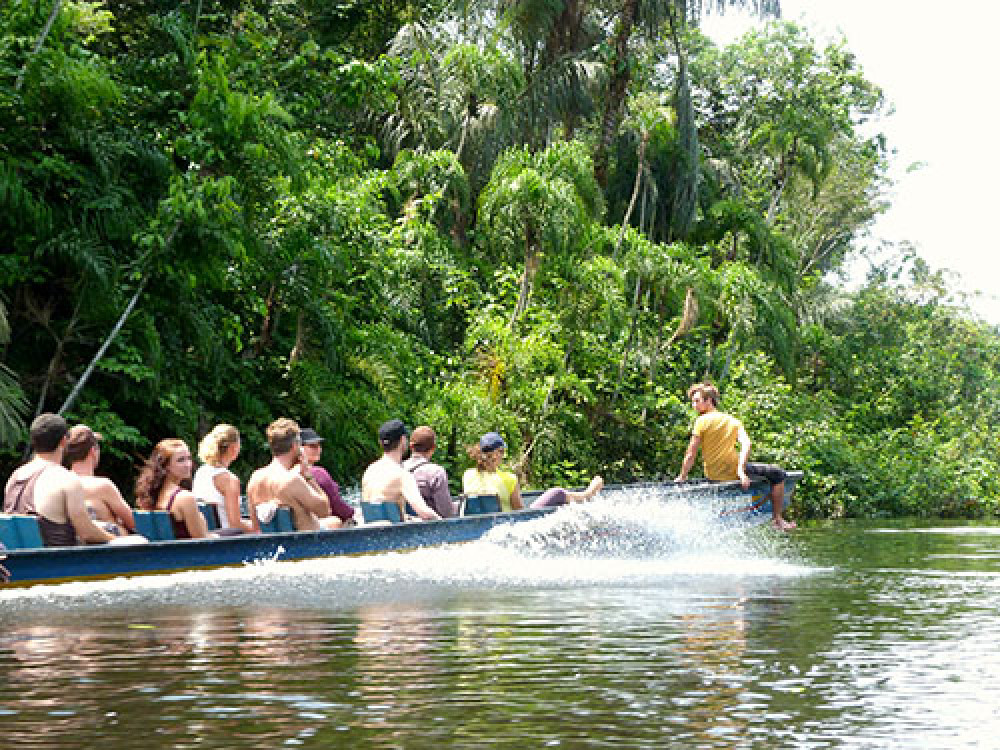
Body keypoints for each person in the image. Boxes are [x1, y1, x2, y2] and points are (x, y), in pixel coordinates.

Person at [674, 382, 796, 531]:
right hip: (732, 472)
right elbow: (747, 444)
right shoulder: (732, 421)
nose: (694, 405)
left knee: (769, 472)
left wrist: (682, 476)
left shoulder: (701, 421)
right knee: (778, 474)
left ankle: (777, 520)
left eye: (697, 401)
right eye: (693, 401)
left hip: (714, 474)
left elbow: (691, 453)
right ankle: (778, 519)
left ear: (709, 401)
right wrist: (740, 470)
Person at [3, 413, 119, 545]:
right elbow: (87, 534)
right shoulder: (66, 479)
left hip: (16, 562)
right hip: (58, 562)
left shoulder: (15, 476)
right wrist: (117, 540)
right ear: (64, 441)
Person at [462, 432, 603, 511]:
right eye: (502, 452)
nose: (503, 455)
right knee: (557, 493)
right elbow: (520, 512)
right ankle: (588, 494)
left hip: (479, 523)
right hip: (506, 524)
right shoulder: (509, 479)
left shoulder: (467, 475)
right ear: (496, 454)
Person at [246, 418, 344, 531]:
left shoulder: (255, 478)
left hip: (270, 544)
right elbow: (325, 510)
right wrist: (308, 475)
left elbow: (255, 526)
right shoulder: (292, 480)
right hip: (304, 543)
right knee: (335, 521)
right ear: (294, 446)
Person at [63, 424, 143, 538]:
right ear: (93, 451)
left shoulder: (61, 482)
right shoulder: (101, 486)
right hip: (107, 550)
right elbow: (134, 523)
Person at [361, 419, 441, 521]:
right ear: (403, 440)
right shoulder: (402, 475)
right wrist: (444, 523)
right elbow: (425, 513)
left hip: (371, 533)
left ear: (381, 443)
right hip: (394, 534)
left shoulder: (369, 471)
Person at [136, 439, 215, 539]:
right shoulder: (185, 498)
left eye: (189, 458)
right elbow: (202, 541)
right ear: (166, 465)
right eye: (181, 460)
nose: (188, 464)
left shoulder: (152, 495)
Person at [193, 424, 258, 533]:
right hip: (227, 540)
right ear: (233, 448)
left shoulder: (201, 472)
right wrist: (259, 528)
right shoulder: (229, 480)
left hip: (207, 535)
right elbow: (235, 524)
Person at [299, 427, 358, 525]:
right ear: (299, 449)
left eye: (319, 445)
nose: (318, 449)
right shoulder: (319, 473)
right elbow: (337, 505)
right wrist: (353, 514)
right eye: (312, 446)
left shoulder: (286, 473)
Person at [402, 425, 458, 518]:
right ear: (433, 448)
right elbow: (446, 512)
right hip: (430, 528)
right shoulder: (436, 472)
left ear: (411, 446)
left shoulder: (398, 469)